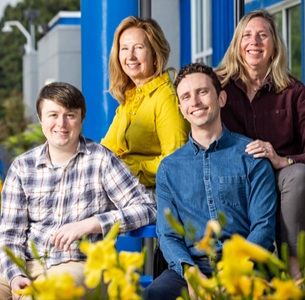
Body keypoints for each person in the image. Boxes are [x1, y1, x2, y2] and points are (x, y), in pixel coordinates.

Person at [216, 9, 305, 296]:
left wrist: (283, 159)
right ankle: (294, 270)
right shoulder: (220, 87)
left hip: (288, 174)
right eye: (246, 35)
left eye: (262, 35)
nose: (254, 41)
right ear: (237, 44)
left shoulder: (292, 90)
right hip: (248, 179)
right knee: (298, 174)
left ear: (274, 47)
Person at [0, 82, 157, 300]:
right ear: (40, 119)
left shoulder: (101, 159)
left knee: (42, 297)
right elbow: (9, 235)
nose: (61, 123)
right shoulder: (22, 167)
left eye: (70, 115)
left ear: (81, 118)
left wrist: (92, 224)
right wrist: (15, 274)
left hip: (78, 265)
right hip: (25, 264)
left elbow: (147, 208)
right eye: (53, 115)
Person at [144, 63, 277, 300]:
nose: (194, 101)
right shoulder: (169, 168)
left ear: (221, 98)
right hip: (191, 266)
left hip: (246, 264)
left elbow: (263, 227)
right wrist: (190, 272)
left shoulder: (252, 156)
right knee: (152, 295)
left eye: (202, 92)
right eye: (186, 96)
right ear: (181, 108)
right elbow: (168, 234)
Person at [101, 16, 189, 189]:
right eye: (124, 48)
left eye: (138, 48)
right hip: (125, 187)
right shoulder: (131, 97)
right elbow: (106, 150)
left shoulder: (166, 97)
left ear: (155, 54)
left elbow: (175, 160)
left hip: (153, 194)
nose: (130, 56)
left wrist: (128, 170)